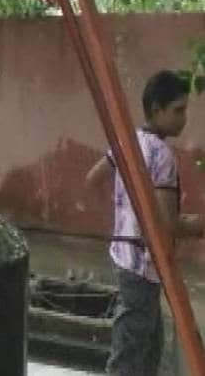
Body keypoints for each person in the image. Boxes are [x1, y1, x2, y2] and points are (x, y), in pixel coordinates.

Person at [85, 70, 204, 376]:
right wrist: (199, 225)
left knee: (147, 345)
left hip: (125, 258)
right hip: (143, 266)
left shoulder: (128, 141)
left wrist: (122, 219)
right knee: (132, 352)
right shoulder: (162, 154)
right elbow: (168, 225)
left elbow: (93, 179)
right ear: (156, 110)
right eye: (178, 110)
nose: (184, 118)